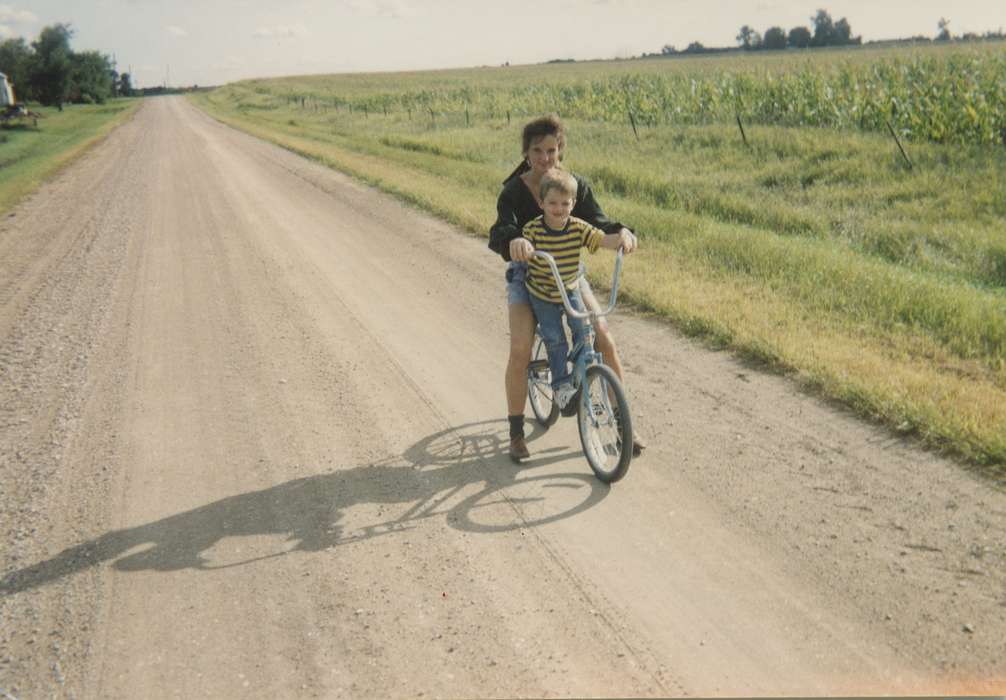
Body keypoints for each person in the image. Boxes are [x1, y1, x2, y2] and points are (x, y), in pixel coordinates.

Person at [488, 114, 642, 462]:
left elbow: (598, 223)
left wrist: (623, 233)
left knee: (603, 333)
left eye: (552, 151)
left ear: (560, 151)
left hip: (568, 275)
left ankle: (622, 423)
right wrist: (513, 241)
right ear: (526, 154)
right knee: (521, 347)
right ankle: (516, 432)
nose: (545, 158)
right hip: (528, 278)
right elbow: (501, 229)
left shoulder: (573, 186)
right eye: (538, 151)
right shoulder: (513, 191)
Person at [521, 169, 635, 412]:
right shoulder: (534, 229)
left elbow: (601, 238)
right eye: (552, 203)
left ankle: (584, 380)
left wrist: (621, 238)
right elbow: (525, 244)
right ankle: (561, 388)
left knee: (584, 331)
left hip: (569, 287)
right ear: (541, 203)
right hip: (543, 292)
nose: (559, 208)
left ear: (573, 204)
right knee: (555, 339)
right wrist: (523, 246)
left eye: (565, 203)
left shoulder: (577, 227)